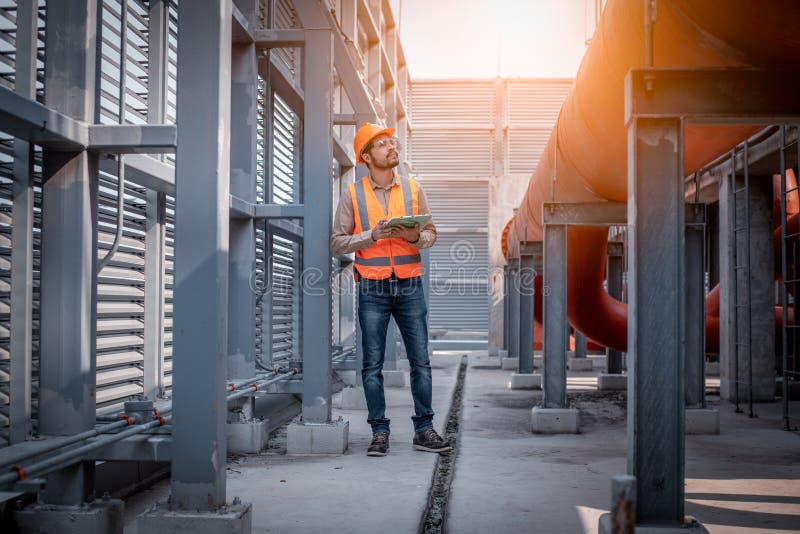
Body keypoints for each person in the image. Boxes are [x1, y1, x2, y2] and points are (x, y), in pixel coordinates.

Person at [331, 122, 452, 457]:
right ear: (366, 156)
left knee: (420, 362)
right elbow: (337, 242)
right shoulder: (353, 194)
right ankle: (379, 432)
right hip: (372, 287)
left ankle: (424, 429)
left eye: (392, 142)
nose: (391, 147)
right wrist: (372, 236)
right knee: (371, 365)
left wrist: (414, 236)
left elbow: (431, 234)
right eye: (382, 144)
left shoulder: (412, 188)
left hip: (410, 284)